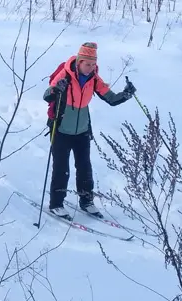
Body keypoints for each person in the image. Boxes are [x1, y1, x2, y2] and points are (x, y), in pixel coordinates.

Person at [43, 42, 135, 219]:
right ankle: (56, 204)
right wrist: (57, 89)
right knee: (61, 168)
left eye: (93, 64)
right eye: (88, 64)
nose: (91, 68)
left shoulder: (94, 78)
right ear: (79, 62)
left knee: (84, 167)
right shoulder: (65, 75)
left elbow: (111, 99)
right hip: (61, 128)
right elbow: (47, 95)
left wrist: (126, 94)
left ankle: (86, 201)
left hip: (82, 130)